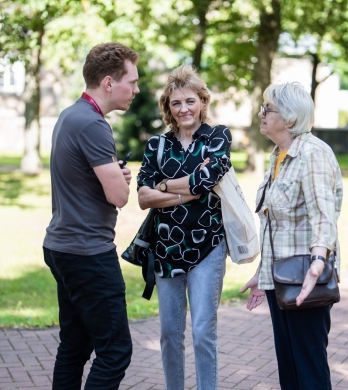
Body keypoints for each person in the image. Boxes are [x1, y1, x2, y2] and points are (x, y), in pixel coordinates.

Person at [43, 42, 140, 390]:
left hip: (61, 246)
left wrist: (112, 171)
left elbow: (83, 178)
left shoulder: (71, 115)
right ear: (110, 82)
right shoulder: (94, 125)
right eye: (133, 81)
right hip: (87, 253)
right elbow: (118, 196)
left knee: (75, 346)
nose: (137, 89)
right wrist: (118, 179)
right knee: (115, 351)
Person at [240, 82, 343, 390]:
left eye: (267, 108)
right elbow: (275, 222)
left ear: (288, 118)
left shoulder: (313, 154)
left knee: (308, 368)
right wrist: (262, 273)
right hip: (280, 277)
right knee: (289, 366)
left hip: (306, 278)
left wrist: (317, 261)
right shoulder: (279, 155)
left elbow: (324, 216)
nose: (260, 113)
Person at [137, 64, 232, 390]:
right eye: (176, 103)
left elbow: (208, 179)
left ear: (202, 101)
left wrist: (163, 186)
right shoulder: (156, 146)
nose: (184, 109)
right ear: (168, 108)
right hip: (167, 250)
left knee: (203, 330)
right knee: (169, 333)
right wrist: (187, 190)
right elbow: (143, 198)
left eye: (190, 101)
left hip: (208, 246)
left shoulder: (218, 136)